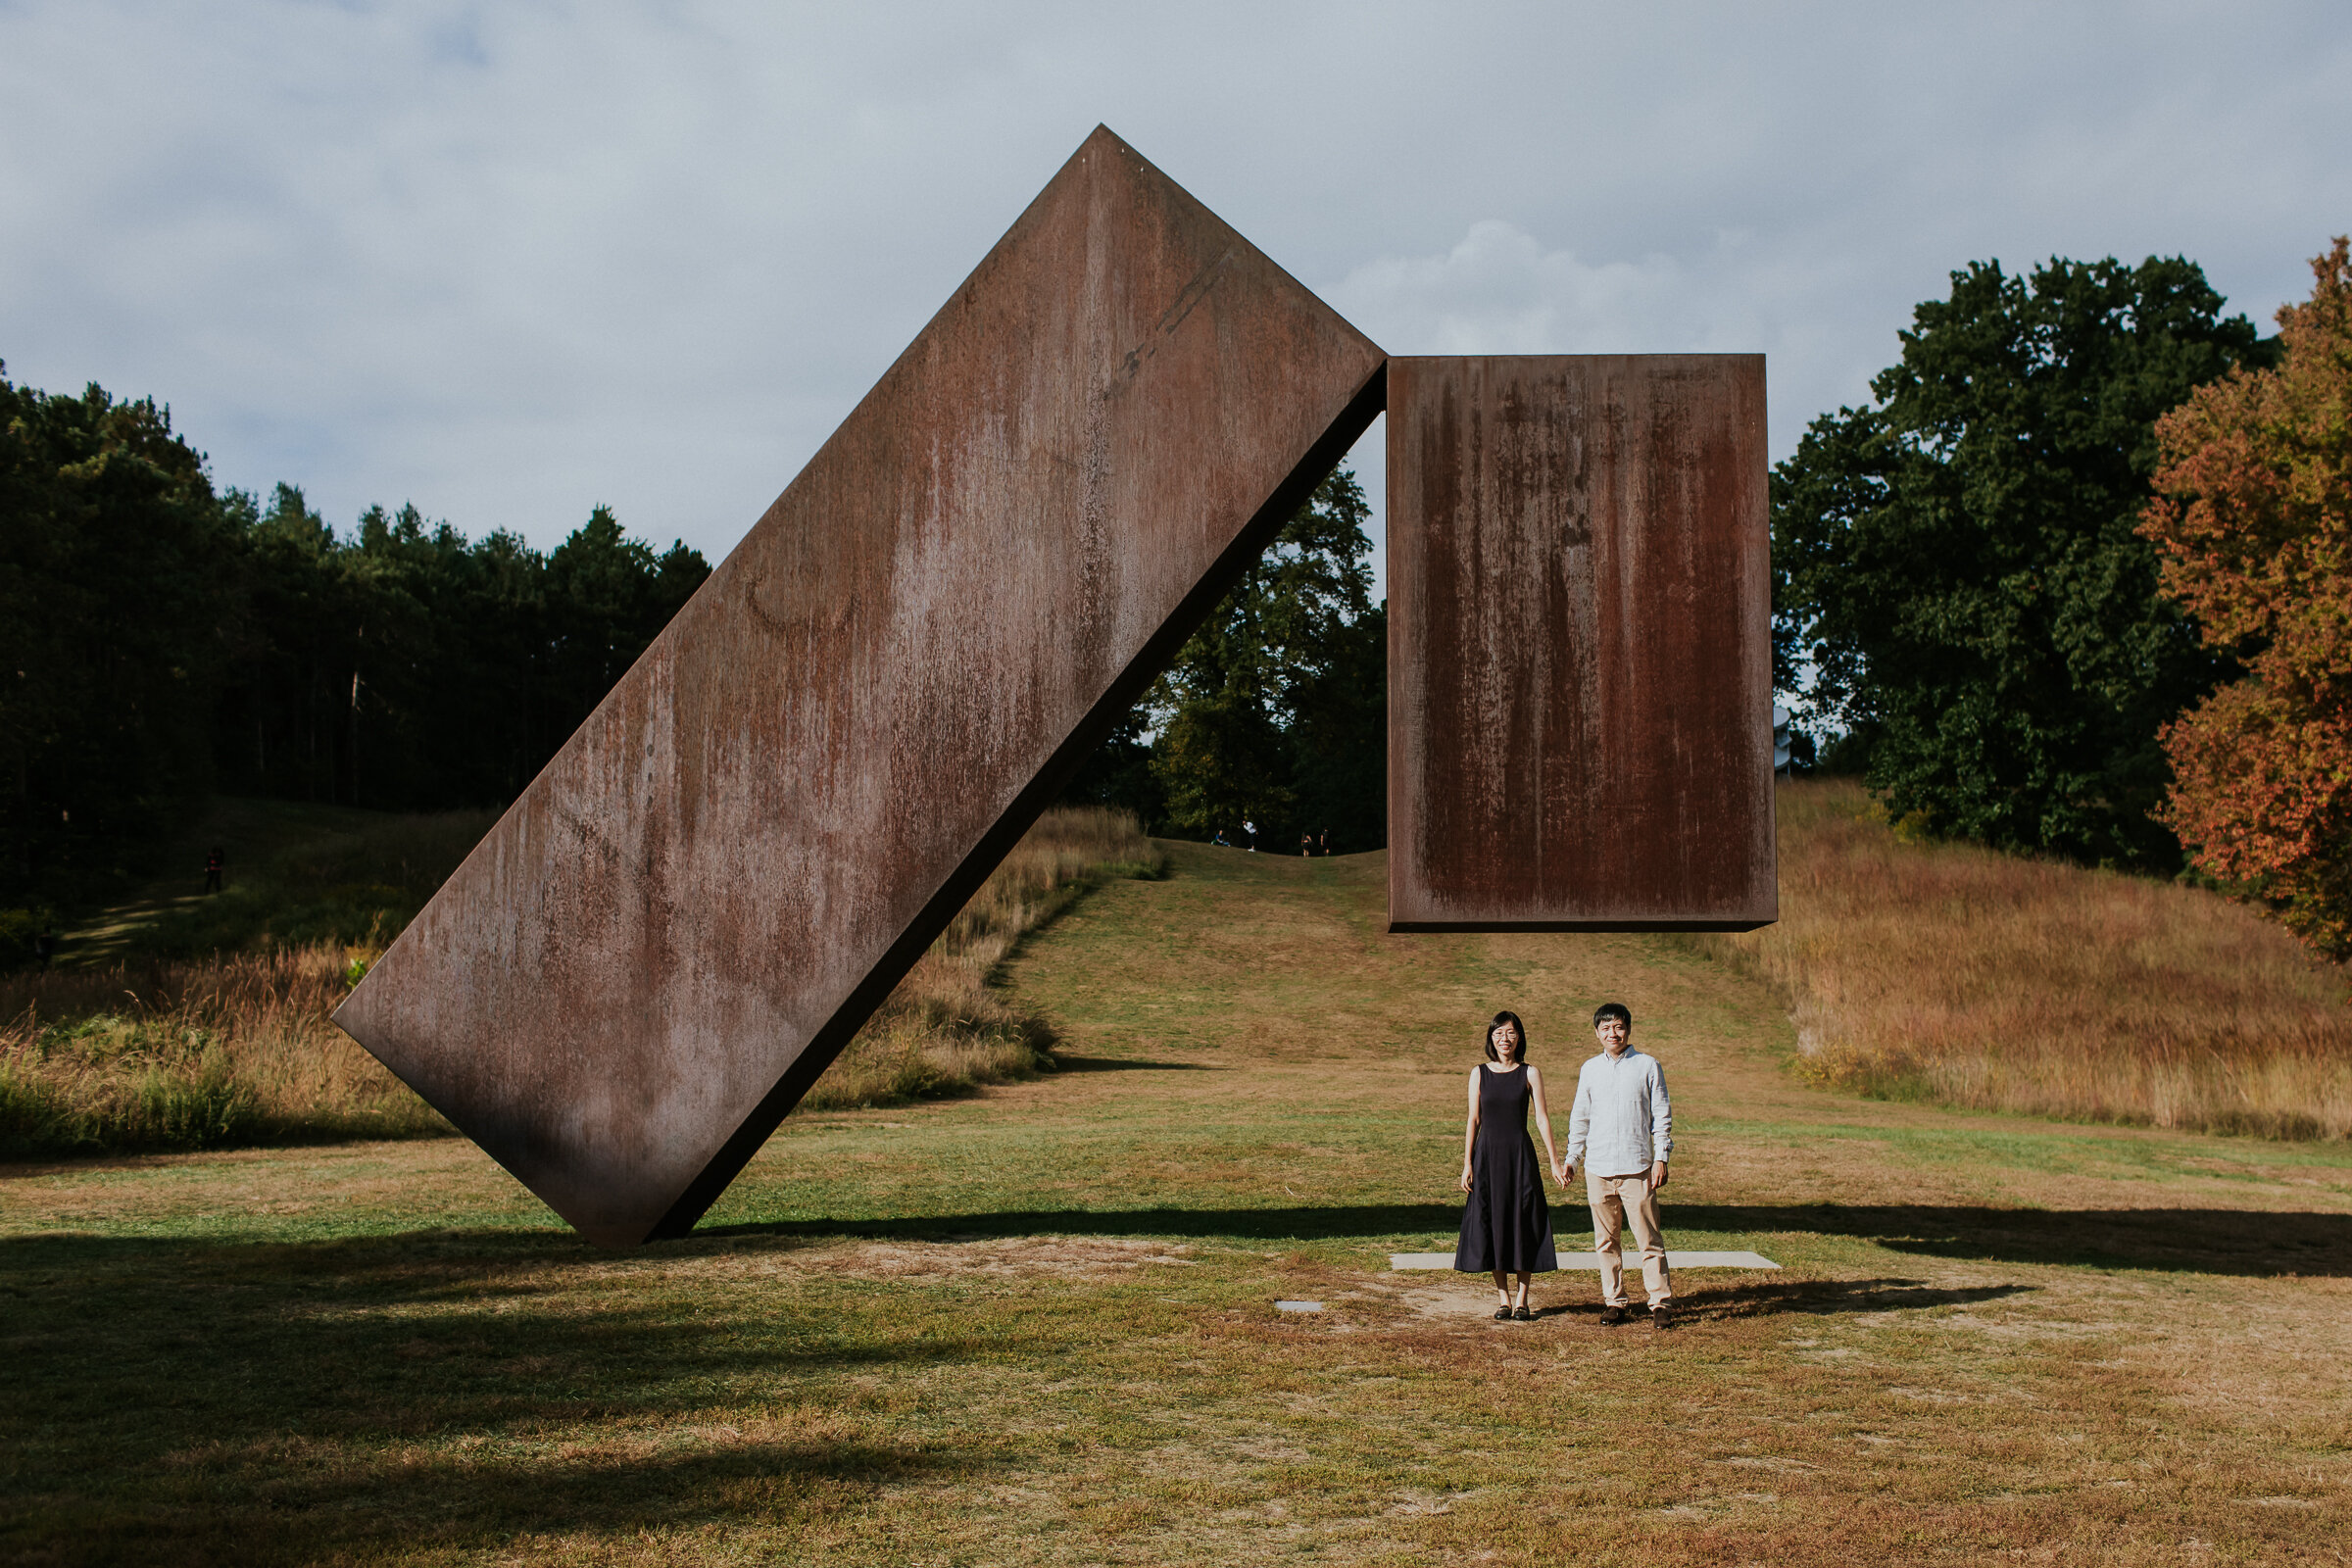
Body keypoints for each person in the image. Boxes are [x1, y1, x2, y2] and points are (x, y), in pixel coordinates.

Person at [1558, 1002, 1675, 1328]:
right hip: (1599, 1168)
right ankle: (1615, 1301)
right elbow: (1580, 1117)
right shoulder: (1590, 1069)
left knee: (1648, 1239)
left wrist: (1661, 1157)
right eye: (1606, 1028)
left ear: (1628, 1029)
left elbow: (1662, 1116)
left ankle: (1660, 1303)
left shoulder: (1648, 1066)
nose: (1613, 1033)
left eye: (1618, 1026)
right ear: (1597, 1033)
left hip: (1637, 1166)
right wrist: (1573, 1159)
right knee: (1606, 1240)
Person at [1455, 1009, 1562, 1320]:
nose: (1505, 1038)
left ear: (1520, 1037)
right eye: (1499, 1033)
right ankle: (1503, 1298)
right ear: (1491, 1038)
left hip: (1520, 1157)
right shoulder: (1479, 1073)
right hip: (1486, 1158)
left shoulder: (1530, 1073)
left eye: (1511, 1032)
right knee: (1494, 1223)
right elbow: (1473, 1119)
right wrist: (1467, 1163)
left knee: (1523, 1222)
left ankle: (1522, 1300)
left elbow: (1541, 1118)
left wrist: (1554, 1160)